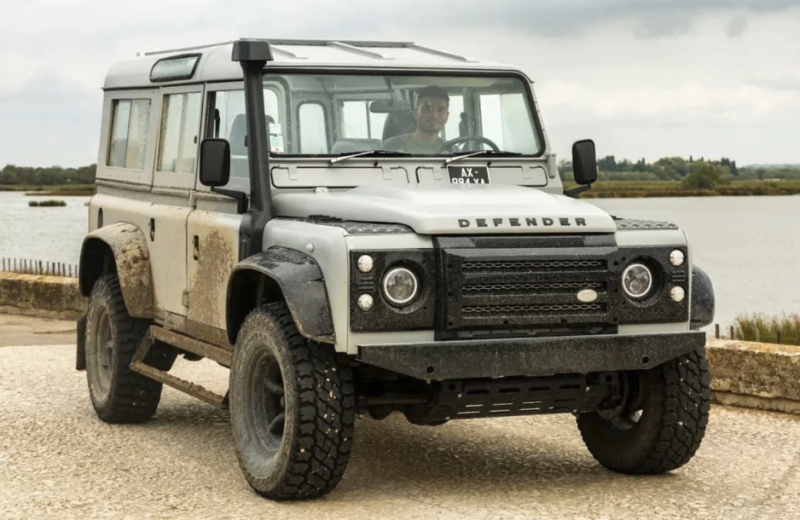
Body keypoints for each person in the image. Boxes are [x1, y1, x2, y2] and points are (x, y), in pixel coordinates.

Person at [383, 85, 449, 154]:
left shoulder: (452, 151)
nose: (434, 115)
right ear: (415, 113)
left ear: (447, 116)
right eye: (427, 109)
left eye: (440, 110)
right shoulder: (392, 147)